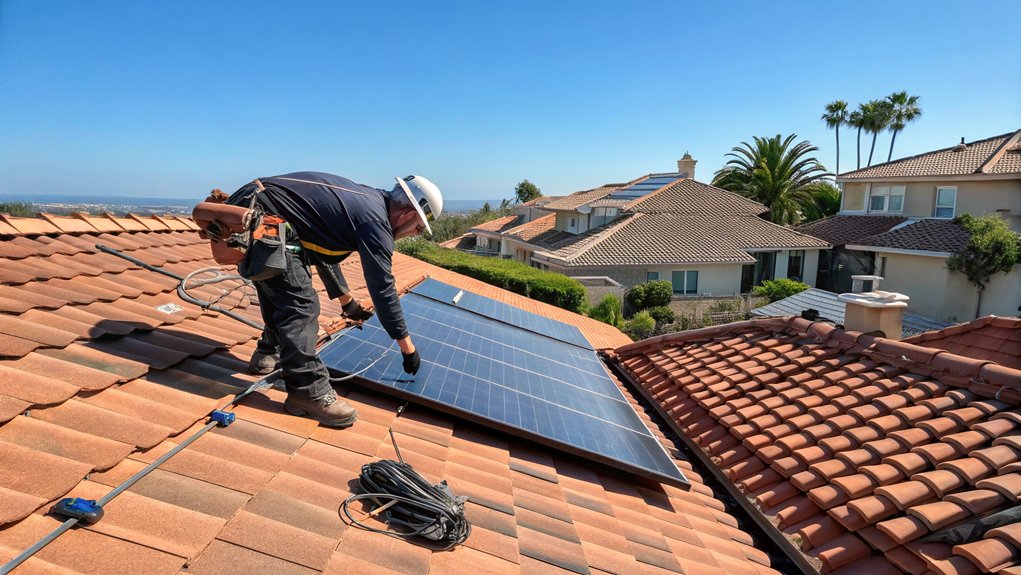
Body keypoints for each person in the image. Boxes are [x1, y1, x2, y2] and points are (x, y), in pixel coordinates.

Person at [227, 172, 442, 428]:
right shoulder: (375, 222)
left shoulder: (366, 201)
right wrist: (407, 347)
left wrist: (347, 303)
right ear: (407, 214)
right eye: (418, 228)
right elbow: (382, 287)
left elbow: (321, 251)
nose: (413, 234)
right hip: (264, 215)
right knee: (302, 305)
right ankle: (308, 393)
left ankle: (267, 352)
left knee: (278, 278)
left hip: (260, 205)